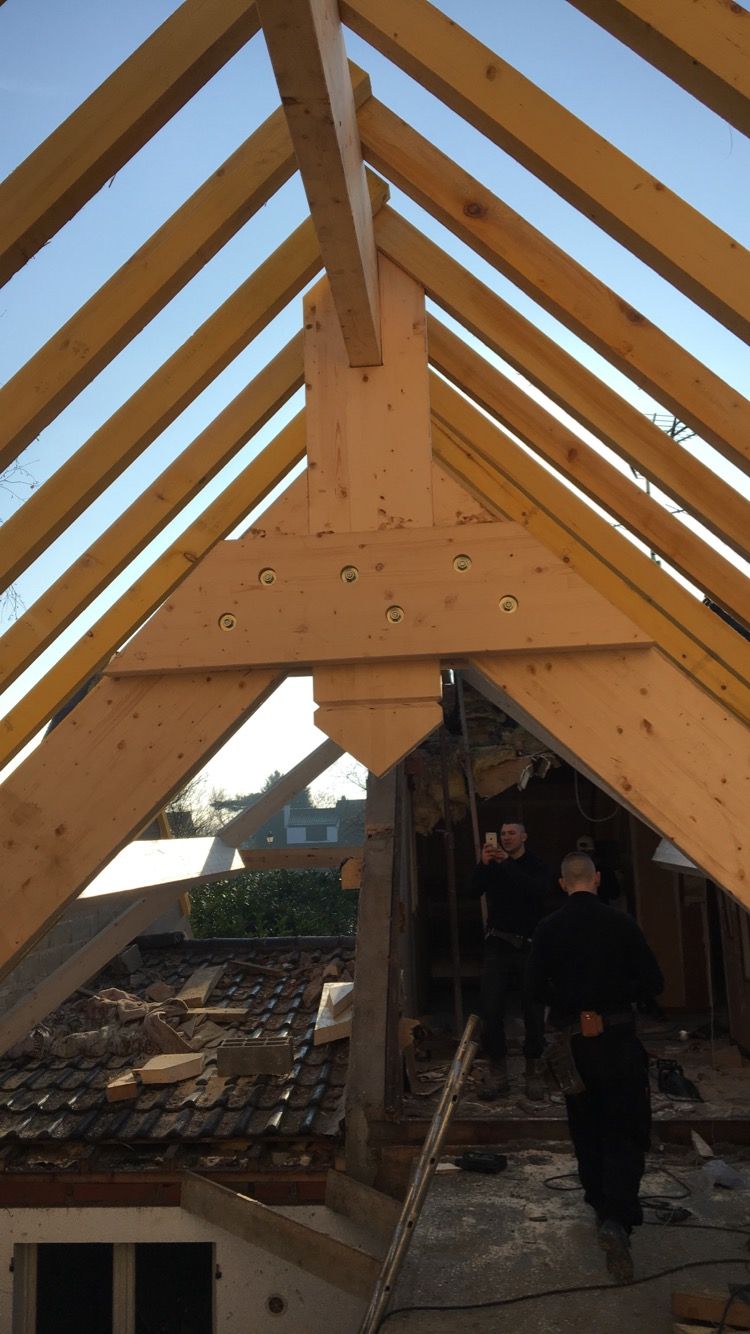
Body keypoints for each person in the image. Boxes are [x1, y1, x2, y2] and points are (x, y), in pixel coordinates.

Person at [526, 851, 664, 1283]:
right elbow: (654, 983)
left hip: (575, 1047)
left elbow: (532, 988)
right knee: (626, 1127)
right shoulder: (622, 924)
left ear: (565, 884)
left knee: (586, 1125)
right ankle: (619, 1217)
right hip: (619, 1040)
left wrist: (568, 1000)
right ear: (598, 879)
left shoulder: (548, 929)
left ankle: (600, 1204)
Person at [469, 821, 552, 1100]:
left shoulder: (536, 865)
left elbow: (537, 891)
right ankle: (498, 1072)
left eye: (511, 833)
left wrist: (506, 865)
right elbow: (471, 891)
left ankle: (533, 1070)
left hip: (529, 946)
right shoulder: (492, 866)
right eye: (502, 834)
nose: (505, 837)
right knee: (491, 1010)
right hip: (498, 944)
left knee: (533, 1010)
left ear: (524, 836)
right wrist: (483, 864)